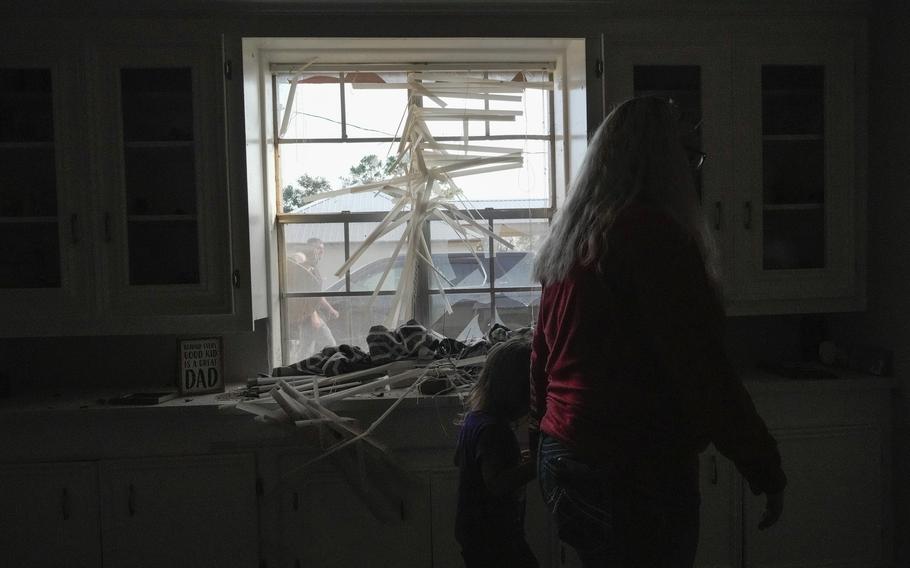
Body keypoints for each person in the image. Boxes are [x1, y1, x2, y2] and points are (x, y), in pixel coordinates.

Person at [529, 97, 786, 567]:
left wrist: (540, 434)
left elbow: (542, 356)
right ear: (665, 164)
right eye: (689, 158)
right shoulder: (653, 237)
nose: (694, 171)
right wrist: (762, 463)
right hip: (631, 465)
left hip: (564, 454)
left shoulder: (571, 238)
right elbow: (702, 370)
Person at [454, 337, 539, 568]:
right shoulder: (495, 430)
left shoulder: (474, 420)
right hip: (494, 536)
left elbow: (464, 462)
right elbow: (497, 483)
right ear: (518, 390)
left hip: (474, 534)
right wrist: (536, 465)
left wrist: (513, 460)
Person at [293, 238, 339, 359]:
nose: (321, 252)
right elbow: (305, 295)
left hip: (311, 314)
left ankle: (300, 372)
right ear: (310, 249)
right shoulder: (304, 269)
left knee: (306, 349)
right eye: (318, 248)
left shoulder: (314, 268)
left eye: (322, 249)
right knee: (330, 345)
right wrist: (314, 316)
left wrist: (330, 309)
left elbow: (317, 294)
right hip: (308, 315)